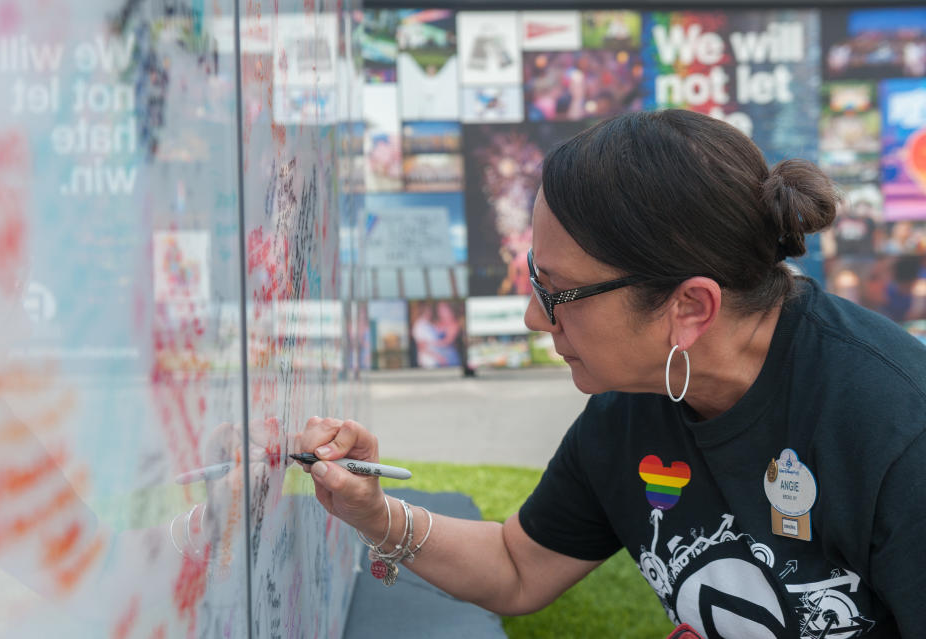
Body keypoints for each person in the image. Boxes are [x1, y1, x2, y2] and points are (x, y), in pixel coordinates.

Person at [296, 110, 926, 638]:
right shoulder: (635, 403)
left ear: (690, 308)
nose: (532, 317)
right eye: (534, 280)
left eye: (558, 291)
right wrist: (374, 513)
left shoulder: (896, 428)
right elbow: (517, 567)